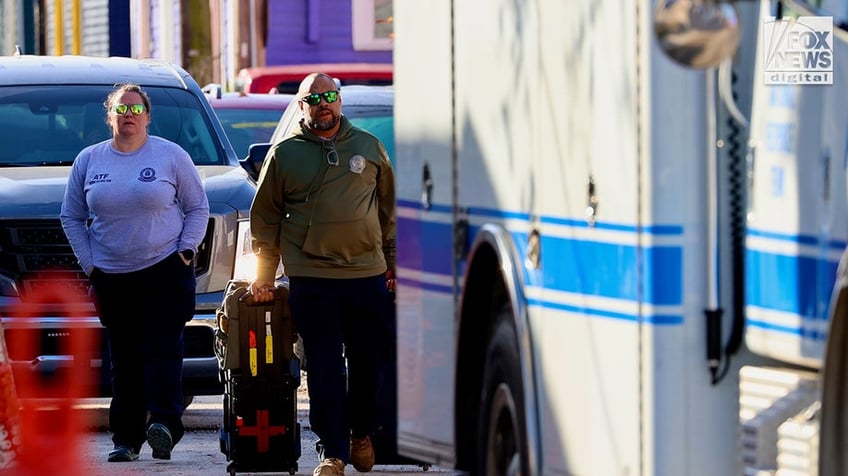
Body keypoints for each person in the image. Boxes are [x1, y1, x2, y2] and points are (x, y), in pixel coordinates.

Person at [249, 72, 396, 476]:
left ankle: (361, 432)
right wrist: (264, 273)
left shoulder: (369, 148)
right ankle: (333, 451)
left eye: (329, 95)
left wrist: (395, 265)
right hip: (312, 277)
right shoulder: (285, 154)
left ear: (339, 101)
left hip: (367, 275)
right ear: (301, 106)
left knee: (370, 364)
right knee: (325, 366)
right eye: (313, 98)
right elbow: (265, 218)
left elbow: (389, 213)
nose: (323, 103)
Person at [60, 83, 210, 463]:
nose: (129, 115)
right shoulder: (89, 160)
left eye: (136, 109)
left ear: (147, 116)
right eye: (122, 110)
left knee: (162, 352)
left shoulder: (170, 156)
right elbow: (72, 216)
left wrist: (186, 251)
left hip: (164, 269)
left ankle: (164, 425)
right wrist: (90, 263)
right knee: (123, 359)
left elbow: (197, 207)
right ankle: (125, 439)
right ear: (109, 116)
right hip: (111, 275)